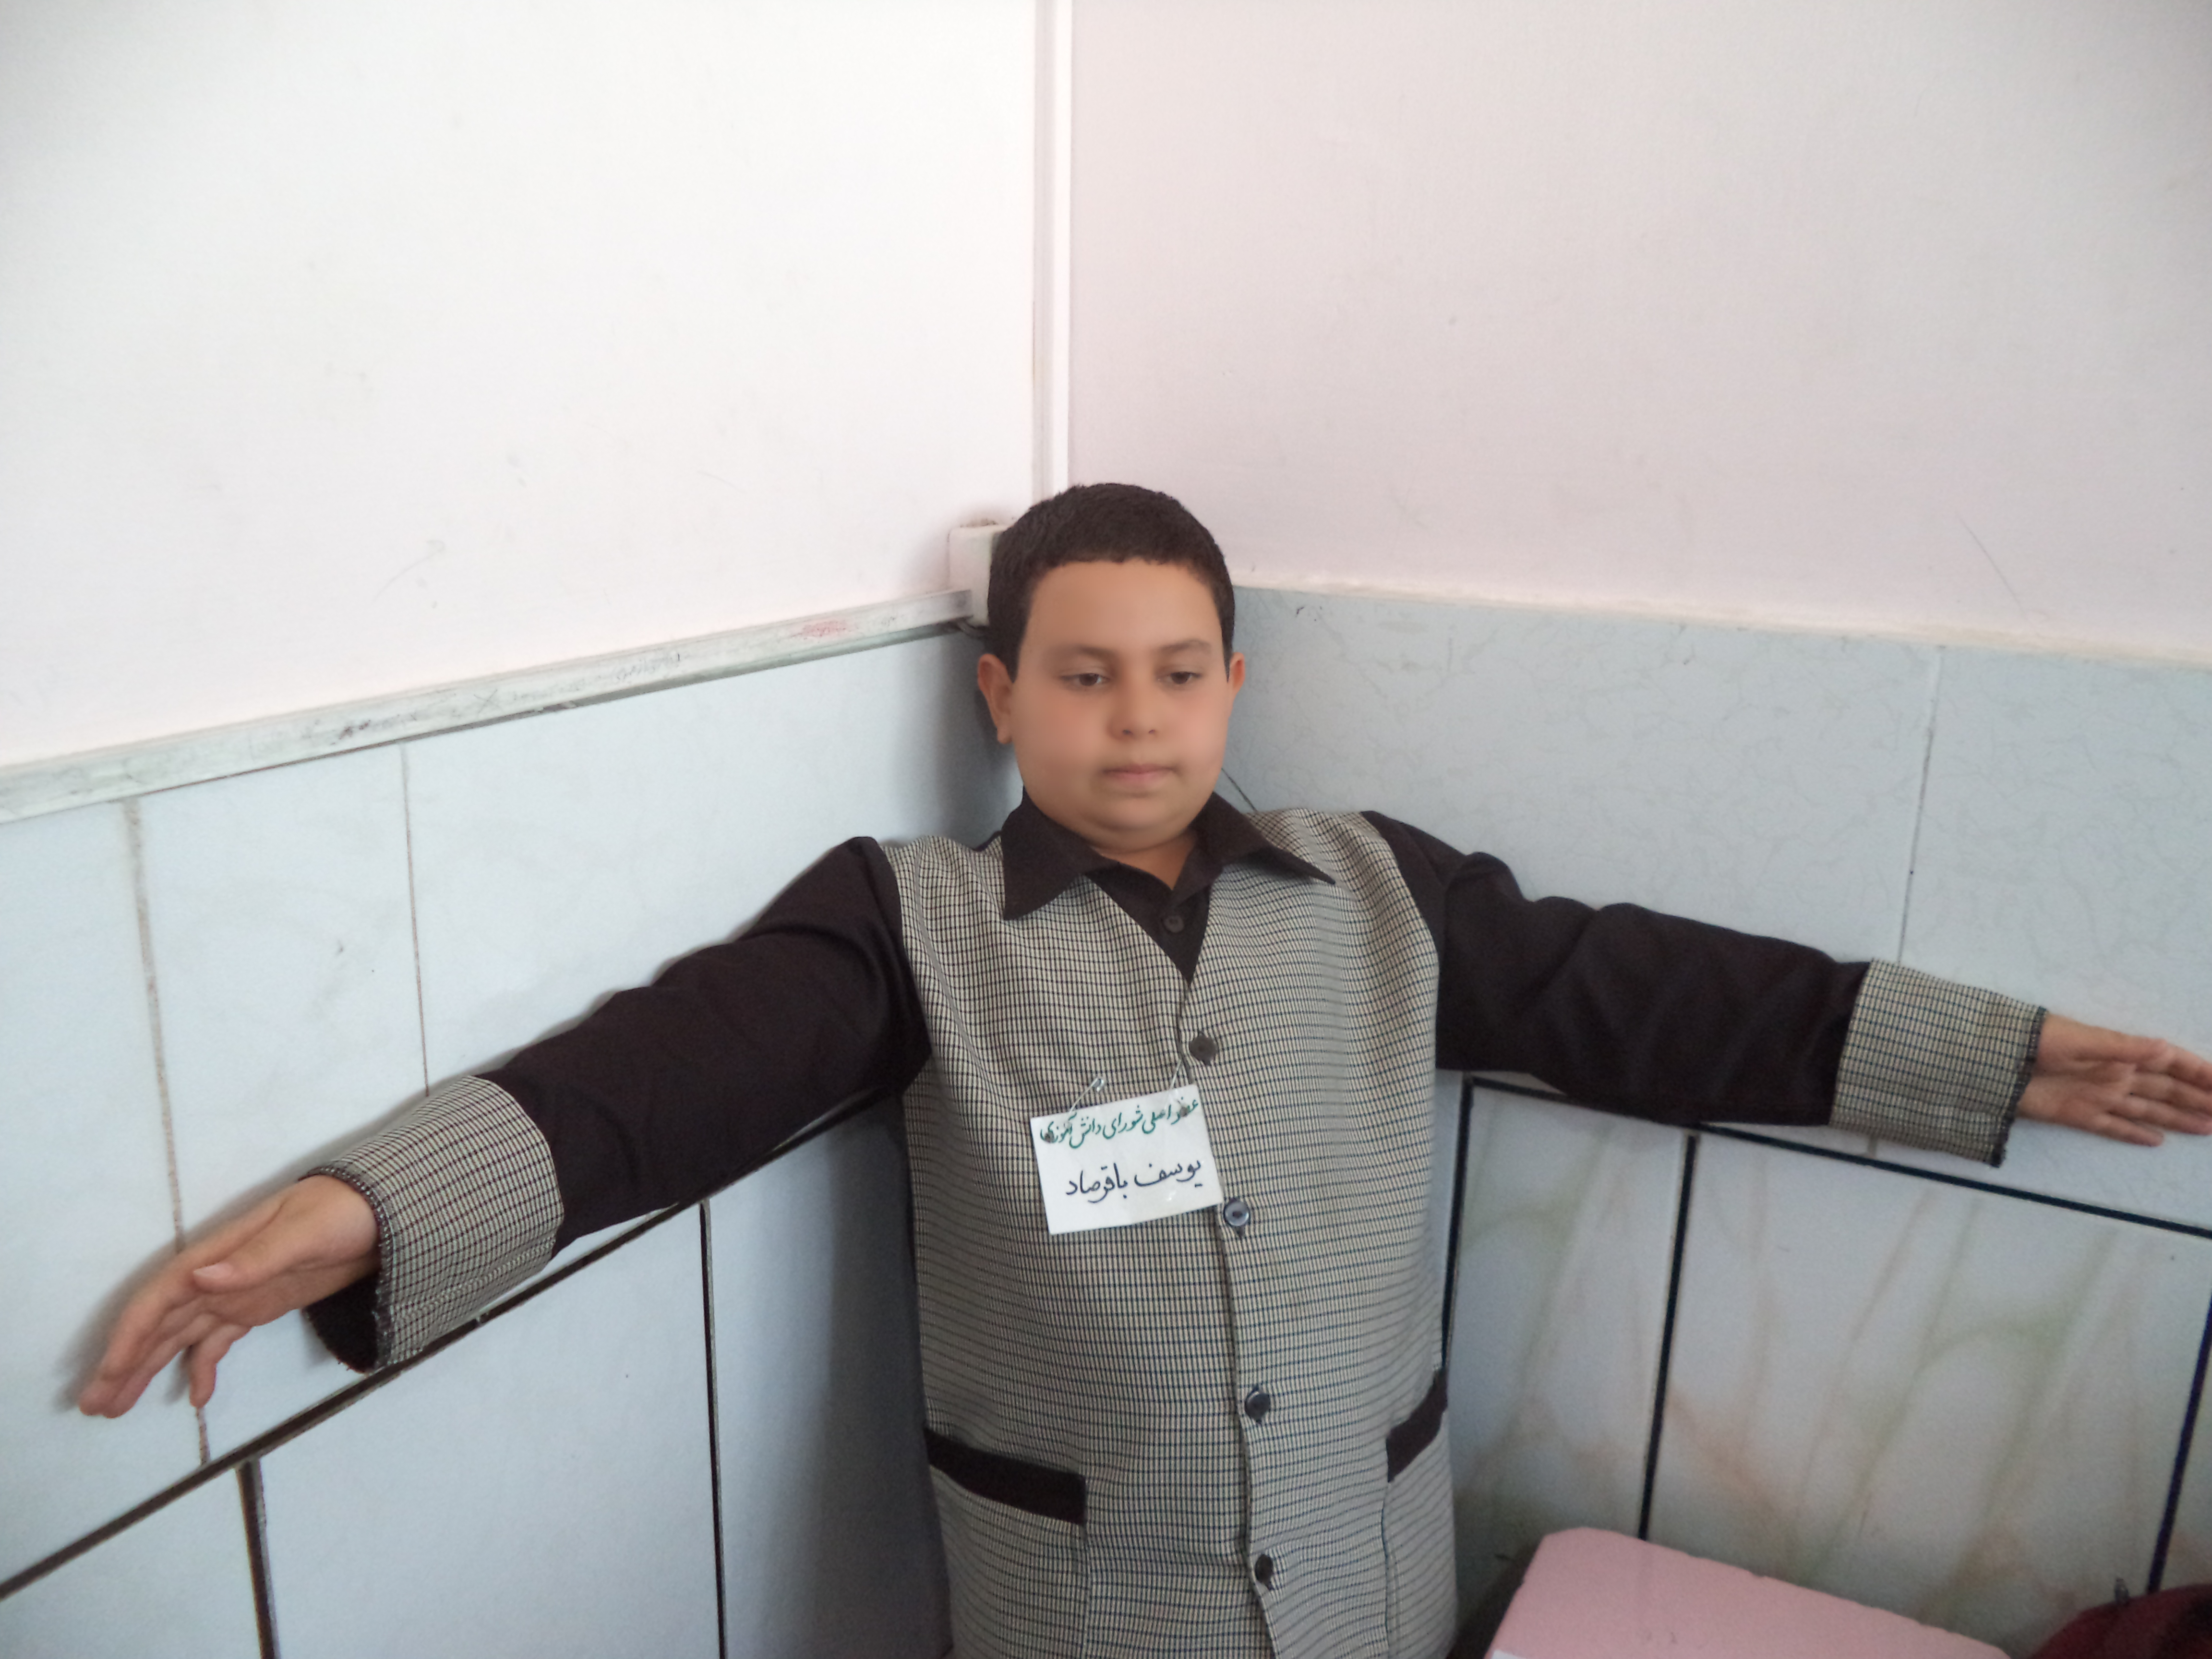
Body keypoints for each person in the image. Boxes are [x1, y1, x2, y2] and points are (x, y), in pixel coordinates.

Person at [79, 484, 2212, 1659]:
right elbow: (674, 1071)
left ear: (1235, 683)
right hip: (1085, 1613)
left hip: (1372, 1580)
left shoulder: (1378, 895)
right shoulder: (909, 923)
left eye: (1180, 672)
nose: (1138, 718)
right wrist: (372, 1206)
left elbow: (1640, 994)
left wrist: (1997, 1059)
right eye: (1085, 675)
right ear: (1001, 693)